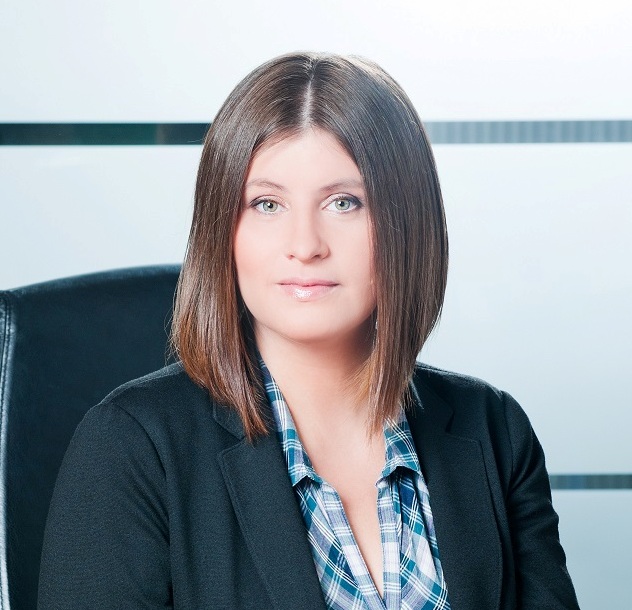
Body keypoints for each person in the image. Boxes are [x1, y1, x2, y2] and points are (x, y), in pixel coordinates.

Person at [38, 52, 580, 610]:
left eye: (344, 203)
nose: (304, 244)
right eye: (266, 204)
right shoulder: (132, 447)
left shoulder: (493, 431)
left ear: (407, 224)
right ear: (223, 228)